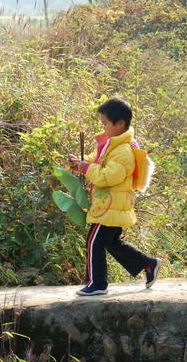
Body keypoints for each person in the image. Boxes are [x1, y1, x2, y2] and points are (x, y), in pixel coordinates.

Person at [68, 97, 161, 296]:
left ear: (120, 124)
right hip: (109, 205)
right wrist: (82, 163)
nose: (103, 127)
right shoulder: (111, 144)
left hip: (110, 207)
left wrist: (86, 168)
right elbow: (96, 160)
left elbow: (105, 177)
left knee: (94, 242)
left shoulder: (124, 151)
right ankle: (148, 263)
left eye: (105, 123)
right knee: (110, 242)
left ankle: (97, 284)